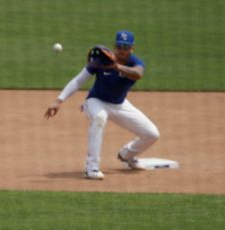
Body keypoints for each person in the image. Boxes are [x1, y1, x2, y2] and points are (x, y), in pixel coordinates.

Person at [44, 30, 160, 180]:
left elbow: (138, 74)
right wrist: (59, 100)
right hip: (96, 101)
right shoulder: (101, 60)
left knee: (152, 134)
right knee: (99, 117)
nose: (122, 50)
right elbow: (79, 80)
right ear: (114, 46)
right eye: (119, 46)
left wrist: (116, 67)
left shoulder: (135, 62)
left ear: (132, 49)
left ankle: (127, 154)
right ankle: (92, 168)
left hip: (120, 105)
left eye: (126, 47)